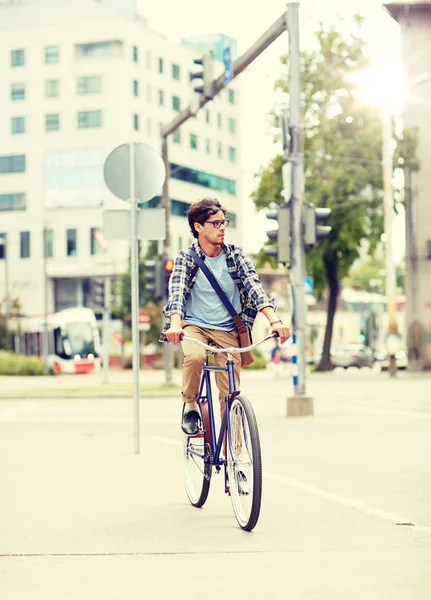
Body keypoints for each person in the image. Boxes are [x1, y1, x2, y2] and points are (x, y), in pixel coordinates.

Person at [162, 197, 290, 435]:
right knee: (195, 356)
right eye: (216, 223)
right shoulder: (186, 258)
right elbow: (177, 292)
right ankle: (190, 404)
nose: (222, 228)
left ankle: (235, 455)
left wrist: (274, 320)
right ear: (198, 227)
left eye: (224, 223)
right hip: (193, 326)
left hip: (227, 328)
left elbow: (255, 288)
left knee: (231, 395)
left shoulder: (235, 256)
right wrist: (176, 325)